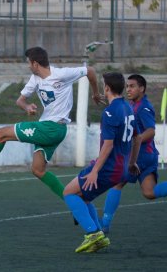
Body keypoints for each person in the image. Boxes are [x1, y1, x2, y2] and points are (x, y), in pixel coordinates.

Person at [0, 46, 105, 202]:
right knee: (38, 170)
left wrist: (95, 93)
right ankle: (76, 202)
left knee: (1, 134)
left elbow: (90, 71)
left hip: (51, 128)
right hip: (51, 128)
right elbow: (20, 100)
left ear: (35, 64)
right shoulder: (36, 78)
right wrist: (27, 107)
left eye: (29, 63)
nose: (28, 66)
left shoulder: (62, 74)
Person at [63, 72, 142, 253]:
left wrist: (95, 171)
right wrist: (132, 162)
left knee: (68, 192)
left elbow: (108, 145)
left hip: (108, 167)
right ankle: (99, 237)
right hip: (121, 168)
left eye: (102, 85)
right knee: (83, 196)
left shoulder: (109, 112)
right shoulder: (128, 108)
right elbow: (137, 138)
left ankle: (94, 233)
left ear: (106, 88)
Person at [100, 74, 167, 233]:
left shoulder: (143, 107)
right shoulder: (133, 104)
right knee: (149, 192)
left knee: (117, 183)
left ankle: (104, 226)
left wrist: (136, 140)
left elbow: (151, 130)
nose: (128, 89)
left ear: (141, 88)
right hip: (149, 156)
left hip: (140, 155)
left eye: (132, 86)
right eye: (127, 86)